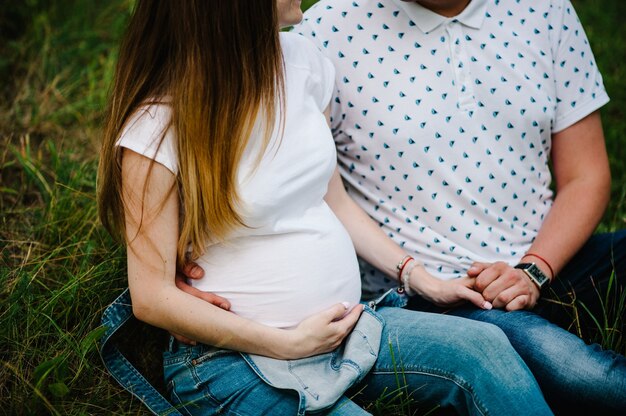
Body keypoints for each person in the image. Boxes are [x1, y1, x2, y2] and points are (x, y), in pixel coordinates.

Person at [97, 1, 554, 415]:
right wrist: (286, 343)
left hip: (349, 329)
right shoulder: (158, 123)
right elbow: (152, 297)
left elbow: (332, 201)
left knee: (485, 350)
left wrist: (421, 279)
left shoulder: (302, 62)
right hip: (234, 360)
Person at [286, 0, 626, 414]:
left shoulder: (545, 9)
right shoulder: (323, 29)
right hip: (437, 296)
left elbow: (586, 176)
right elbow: (275, 175)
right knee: (591, 377)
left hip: (551, 256)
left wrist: (534, 269)